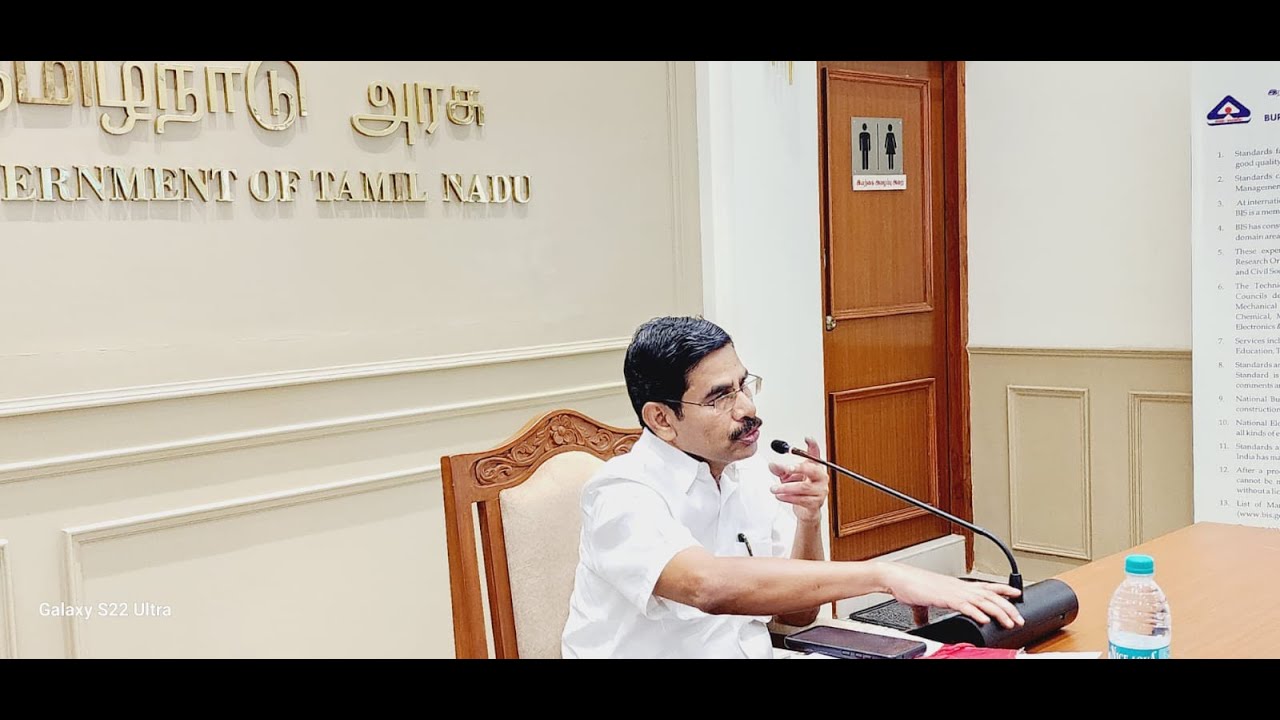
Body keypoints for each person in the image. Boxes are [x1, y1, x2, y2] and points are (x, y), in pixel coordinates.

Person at [560, 316, 1023, 658]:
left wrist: (808, 521)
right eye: (720, 397)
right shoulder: (620, 494)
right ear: (661, 419)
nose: (747, 408)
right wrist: (884, 575)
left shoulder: (749, 473)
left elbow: (796, 617)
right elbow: (707, 586)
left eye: (744, 385)